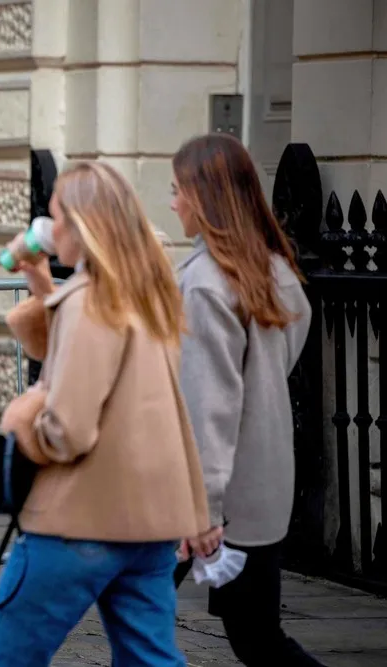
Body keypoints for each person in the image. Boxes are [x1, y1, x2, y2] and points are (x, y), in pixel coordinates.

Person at [0, 161, 210, 667]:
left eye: (56, 215)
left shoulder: (90, 301)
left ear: (81, 224)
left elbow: (68, 431)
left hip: (80, 519)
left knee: (6, 657)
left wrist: (21, 418)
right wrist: (39, 276)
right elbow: (74, 346)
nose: (49, 226)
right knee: (150, 658)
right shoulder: (148, 292)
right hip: (149, 524)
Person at [170, 133, 326, 666]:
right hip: (261, 485)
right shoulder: (274, 269)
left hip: (204, 499)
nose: (172, 203)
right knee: (256, 636)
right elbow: (287, 347)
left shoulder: (206, 283)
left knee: (133, 609)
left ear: (202, 196)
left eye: (177, 190)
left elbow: (208, 406)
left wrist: (202, 509)